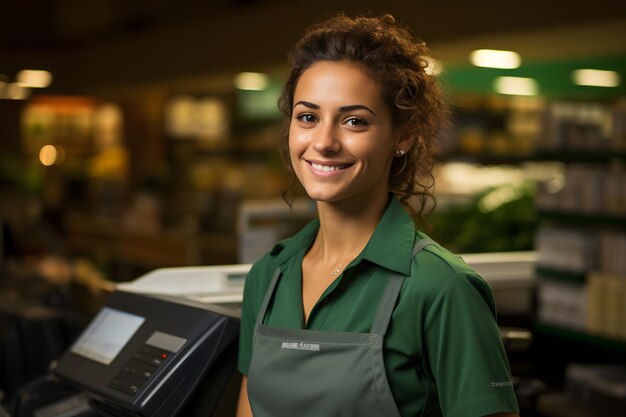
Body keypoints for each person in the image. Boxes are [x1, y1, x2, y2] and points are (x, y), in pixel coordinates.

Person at [236, 13, 520, 417]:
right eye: (308, 117)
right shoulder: (269, 276)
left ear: (402, 135)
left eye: (354, 121)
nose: (324, 141)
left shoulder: (441, 287)